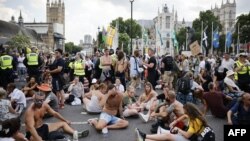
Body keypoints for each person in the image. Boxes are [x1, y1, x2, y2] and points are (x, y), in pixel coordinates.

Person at [24, 91, 89, 141]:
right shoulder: (30, 111)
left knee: (63, 123)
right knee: (35, 139)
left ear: (44, 99)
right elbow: (31, 128)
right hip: (33, 132)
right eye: (37, 100)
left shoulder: (44, 105)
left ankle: (76, 134)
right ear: (34, 99)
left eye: (41, 100)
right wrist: (39, 139)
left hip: (43, 127)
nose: (40, 102)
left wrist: (65, 120)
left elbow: (54, 113)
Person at [136, 103, 214, 141]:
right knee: (169, 136)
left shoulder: (195, 121)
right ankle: (145, 139)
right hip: (199, 137)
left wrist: (178, 129)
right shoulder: (195, 117)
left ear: (189, 112)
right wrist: (175, 121)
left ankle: (144, 136)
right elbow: (184, 116)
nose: (184, 113)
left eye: (185, 112)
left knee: (168, 137)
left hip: (197, 139)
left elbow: (187, 136)